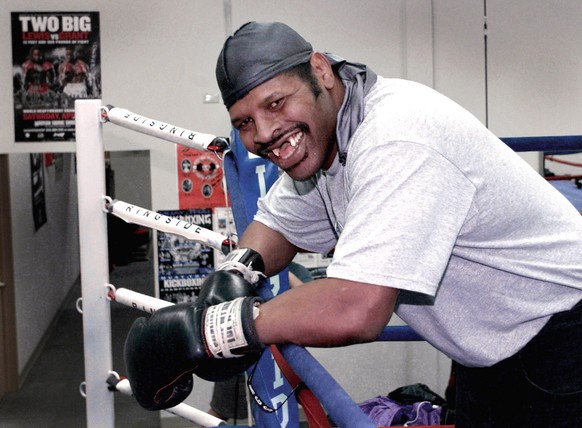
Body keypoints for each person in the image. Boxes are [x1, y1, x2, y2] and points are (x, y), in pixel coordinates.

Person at [124, 22, 582, 427]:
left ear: (320, 70)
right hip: (491, 353)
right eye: (245, 121)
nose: (263, 133)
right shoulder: (330, 139)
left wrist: (222, 328)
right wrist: (237, 271)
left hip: (560, 343)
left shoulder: (396, 137)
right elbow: (278, 222)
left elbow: (357, 308)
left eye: (276, 102)